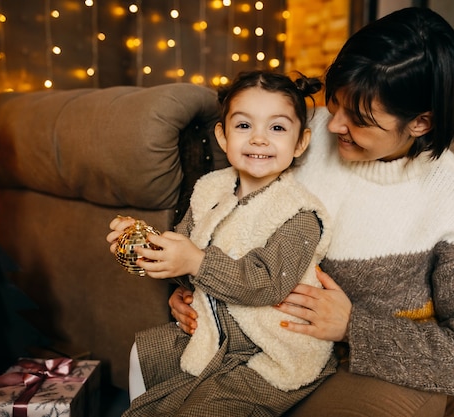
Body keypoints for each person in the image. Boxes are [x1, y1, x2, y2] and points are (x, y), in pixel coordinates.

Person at [168, 7, 454, 417]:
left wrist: (354, 328)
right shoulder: (296, 135)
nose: (333, 126)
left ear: (421, 123)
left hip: (368, 365)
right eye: (334, 103)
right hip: (253, 340)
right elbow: (227, 218)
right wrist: (198, 292)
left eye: (359, 118)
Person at [107, 70, 337, 416]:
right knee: (145, 351)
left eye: (276, 128)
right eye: (244, 126)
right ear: (223, 136)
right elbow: (182, 259)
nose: (259, 139)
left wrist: (198, 263)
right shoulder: (209, 190)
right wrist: (142, 243)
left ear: (300, 142)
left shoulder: (300, 213)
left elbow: (267, 284)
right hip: (214, 330)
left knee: (206, 409)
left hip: (271, 346)